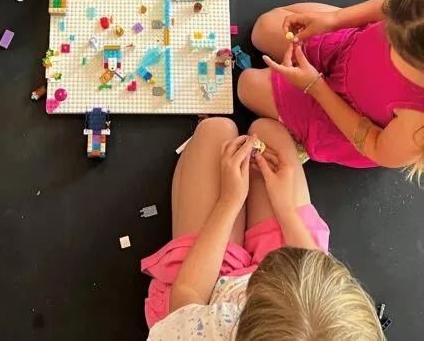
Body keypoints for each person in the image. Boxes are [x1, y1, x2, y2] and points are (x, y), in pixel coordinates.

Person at [141, 117, 384, 340]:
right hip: (293, 282)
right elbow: (315, 278)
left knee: (215, 131)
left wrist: (229, 201)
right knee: (268, 132)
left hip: (206, 293)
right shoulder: (328, 315)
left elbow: (187, 293)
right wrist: (284, 207)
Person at [238, 0, 424, 175]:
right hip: (345, 49)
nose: (388, 39)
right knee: (264, 28)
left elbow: (378, 149)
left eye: (399, 50)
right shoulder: (413, 8)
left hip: (344, 118)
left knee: (248, 85)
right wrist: (335, 20)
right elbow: (390, 4)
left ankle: (304, 139)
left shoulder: (418, 121)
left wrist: (316, 87)